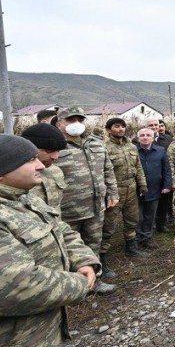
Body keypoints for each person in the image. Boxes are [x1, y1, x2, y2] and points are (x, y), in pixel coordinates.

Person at [0, 134, 100, 347]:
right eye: (30, 161)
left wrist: (84, 260)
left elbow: (61, 229)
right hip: (6, 346)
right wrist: (81, 284)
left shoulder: (20, 196)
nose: (41, 165)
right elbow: (16, 288)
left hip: (40, 336)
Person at [53, 107, 118, 294]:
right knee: (65, 248)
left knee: (93, 243)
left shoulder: (96, 144)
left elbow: (108, 170)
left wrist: (113, 193)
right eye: (70, 120)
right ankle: (70, 286)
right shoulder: (54, 146)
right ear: (59, 124)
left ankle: (94, 282)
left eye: (79, 120)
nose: (76, 124)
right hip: (66, 209)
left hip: (96, 205)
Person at [102, 118, 149, 261]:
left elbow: (138, 167)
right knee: (108, 224)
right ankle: (102, 256)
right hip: (114, 191)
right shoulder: (104, 148)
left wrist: (142, 184)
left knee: (132, 220)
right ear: (109, 130)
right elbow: (102, 172)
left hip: (131, 189)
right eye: (117, 127)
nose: (121, 129)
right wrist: (109, 192)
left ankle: (131, 248)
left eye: (123, 126)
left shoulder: (131, 146)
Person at [135, 127, 172, 250]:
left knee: (150, 215)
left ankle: (147, 237)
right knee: (138, 217)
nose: (145, 137)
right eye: (142, 135)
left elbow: (166, 169)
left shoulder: (160, 150)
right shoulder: (133, 150)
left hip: (154, 188)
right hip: (137, 189)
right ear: (138, 137)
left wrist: (167, 185)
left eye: (148, 135)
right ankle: (136, 238)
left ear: (153, 137)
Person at [144, 118, 174, 233]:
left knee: (164, 202)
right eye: (150, 125)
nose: (154, 127)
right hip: (149, 176)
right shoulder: (140, 139)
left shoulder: (168, 139)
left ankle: (161, 224)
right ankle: (149, 225)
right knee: (149, 203)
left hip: (164, 175)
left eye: (156, 125)